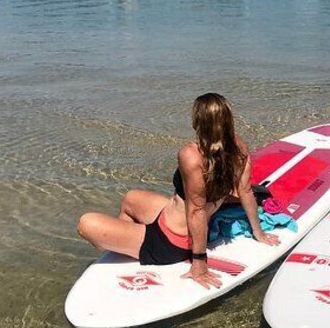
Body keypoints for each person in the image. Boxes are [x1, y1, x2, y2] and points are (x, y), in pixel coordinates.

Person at [77, 93, 279, 289]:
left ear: (197, 122)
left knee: (86, 224)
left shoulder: (191, 155)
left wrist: (199, 262)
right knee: (131, 198)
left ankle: (121, 244)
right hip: (170, 217)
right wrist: (258, 232)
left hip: (172, 241)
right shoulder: (238, 147)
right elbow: (245, 192)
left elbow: (196, 210)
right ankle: (124, 244)